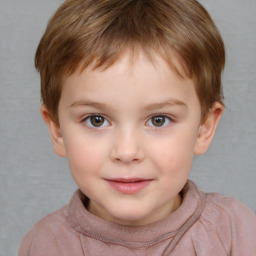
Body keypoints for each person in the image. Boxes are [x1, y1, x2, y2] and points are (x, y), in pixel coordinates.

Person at [19, 0, 256, 255]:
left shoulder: (235, 231)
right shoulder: (45, 244)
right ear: (57, 131)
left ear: (204, 128)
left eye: (158, 120)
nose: (127, 151)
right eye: (96, 120)